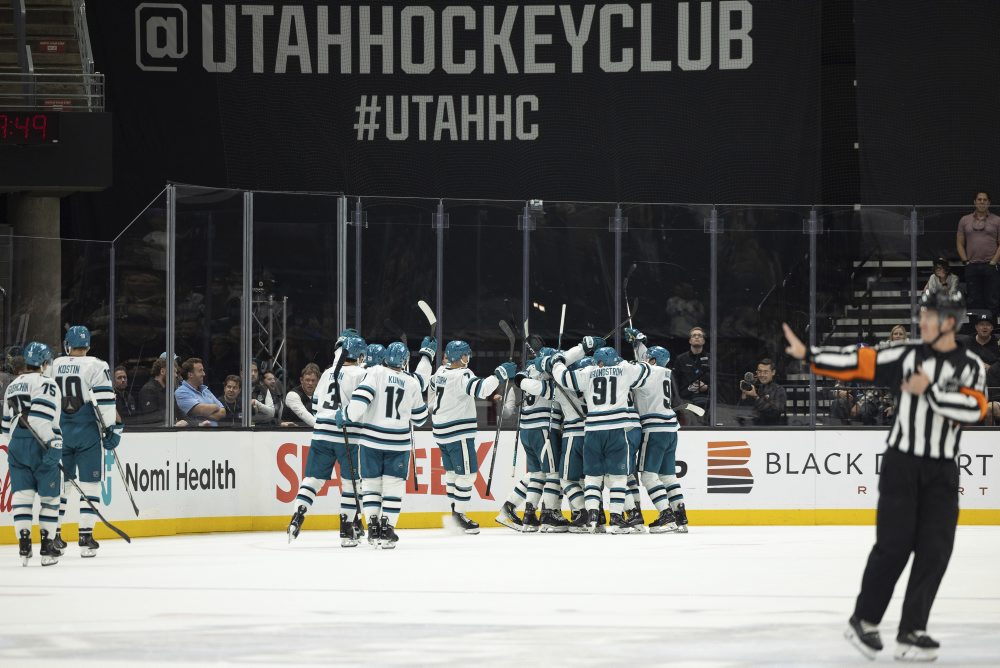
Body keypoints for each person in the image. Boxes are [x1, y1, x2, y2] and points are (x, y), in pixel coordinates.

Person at [783, 289, 987, 662]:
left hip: (942, 469)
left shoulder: (971, 364)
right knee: (894, 546)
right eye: (922, 315)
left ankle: (913, 629)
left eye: (930, 316)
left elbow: (975, 409)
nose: (922, 321)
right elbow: (857, 362)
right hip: (902, 464)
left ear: (951, 323)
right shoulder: (905, 353)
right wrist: (810, 355)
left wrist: (932, 394)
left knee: (936, 551)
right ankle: (864, 620)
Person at [550, 336, 650, 534]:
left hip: (592, 431)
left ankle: (593, 517)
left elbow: (562, 377)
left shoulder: (588, 371)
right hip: (616, 431)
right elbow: (646, 369)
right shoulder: (624, 369)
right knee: (619, 478)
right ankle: (615, 518)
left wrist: (558, 361)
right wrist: (638, 345)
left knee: (592, 477)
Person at [339, 341, 429, 549]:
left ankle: (372, 526)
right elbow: (421, 419)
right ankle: (387, 531)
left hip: (370, 441)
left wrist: (344, 415)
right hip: (398, 444)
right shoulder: (412, 382)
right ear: (405, 361)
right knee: (393, 489)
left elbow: (356, 408)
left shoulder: (375, 372)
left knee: (370, 486)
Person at [287, 336, 368, 547]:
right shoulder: (362, 374)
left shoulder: (327, 372)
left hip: (322, 433)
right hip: (348, 435)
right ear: (359, 355)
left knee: (312, 479)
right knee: (351, 484)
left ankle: (297, 516)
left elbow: (315, 405)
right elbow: (365, 408)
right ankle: (346, 528)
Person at [51, 326, 123, 557]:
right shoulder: (96, 364)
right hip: (87, 432)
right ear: (88, 345)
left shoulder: (53, 365)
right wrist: (112, 429)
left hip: (60, 431)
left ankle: (55, 535)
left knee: (62, 485)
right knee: (90, 484)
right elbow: (105, 399)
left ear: (67, 345)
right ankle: (85, 536)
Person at [431, 340, 511, 535]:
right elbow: (481, 389)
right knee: (468, 474)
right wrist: (500, 373)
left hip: (441, 431)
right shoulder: (463, 374)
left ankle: (454, 511)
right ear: (459, 356)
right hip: (457, 432)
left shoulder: (440, 372)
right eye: (466, 354)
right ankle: (459, 515)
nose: (469, 357)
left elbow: (447, 388)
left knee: (452, 474)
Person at [2, 342, 64, 566]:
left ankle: (24, 547)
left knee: (22, 497)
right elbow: (39, 418)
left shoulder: (13, 385)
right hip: (41, 444)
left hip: (16, 445)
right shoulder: (47, 383)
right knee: (50, 499)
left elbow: (5, 425)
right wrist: (53, 443)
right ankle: (47, 549)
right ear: (45, 363)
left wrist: (18, 447)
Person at [625, 328, 687, 533]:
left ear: (651, 360)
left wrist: (637, 344)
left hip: (654, 429)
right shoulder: (666, 372)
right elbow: (646, 361)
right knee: (668, 477)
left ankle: (666, 515)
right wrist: (638, 343)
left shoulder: (648, 371)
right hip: (670, 428)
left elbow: (632, 372)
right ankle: (680, 518)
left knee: (649, 477)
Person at [497, 349, 563, 533]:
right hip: (542, 428)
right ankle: (549, 514)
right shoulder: (550, 375)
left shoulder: (525, 373)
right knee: (553, 473)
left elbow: (510, 407)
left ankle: (527, 513)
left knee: (537, 474)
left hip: (527, 429)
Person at [956, 191, 1000, 316]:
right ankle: (974, 330)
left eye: (985, 200)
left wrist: (993, 262)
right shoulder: (965, 220)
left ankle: (995, 331)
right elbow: (959, 243)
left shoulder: (997, 220)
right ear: (974, 202)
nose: (982, 202)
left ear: (989, 203)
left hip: (991, 265)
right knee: (973, 299)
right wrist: (966, 262)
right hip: (972, 265)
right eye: (979, 199)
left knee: (993, 298)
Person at [672, 326, 710, 423]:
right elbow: (674, 382)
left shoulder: (711, 359)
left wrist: (706, 387)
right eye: (694, 335)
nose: (697, 337)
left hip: (707, 399)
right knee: (692, 421)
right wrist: (677, 400)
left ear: (703, 341)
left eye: (699, 336)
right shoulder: (680, 359)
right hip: (685, 400)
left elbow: (717, 382)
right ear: (690, 340)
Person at [175, 357, 226, 427]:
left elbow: (223, 412)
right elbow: (201, 410)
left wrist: (203, 414)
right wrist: (216, 406)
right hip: (197, 434)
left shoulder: (206, 390)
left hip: (215, 433)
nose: (204, 374)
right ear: (190, 374)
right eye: (200, 371)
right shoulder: (181, 392)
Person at [740, 358, 787, 426]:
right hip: (756, 429)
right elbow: (746, 408)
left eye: (765, 372)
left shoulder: (779, 390)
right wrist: (744, 392)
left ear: (773, 372)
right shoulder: (758, 387)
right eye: (759, 372)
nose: (762, 375)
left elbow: (774, 413)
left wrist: (756, 397)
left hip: (772, 431)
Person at [282, 363, 320, 427]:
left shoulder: (320, 394)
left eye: (313, 380)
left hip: (312, 431)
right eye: (307, 380)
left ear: (318, 381)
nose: (310, 383)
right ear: (301, 380)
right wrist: (322, 426)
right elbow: (303, 414)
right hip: (290, 432)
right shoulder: (292, 395)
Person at [248, 361, 276, 426]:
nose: (253, 374)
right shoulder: (236, 388)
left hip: (262, 428)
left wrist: (257, 403)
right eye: (250, 370)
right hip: (238, 427)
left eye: (255, 371)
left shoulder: (264, 389)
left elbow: (271, 413)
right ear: (242, 373)